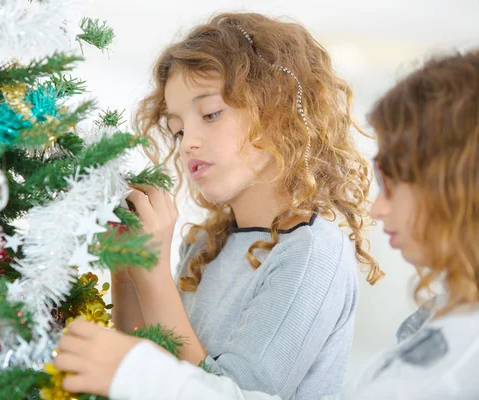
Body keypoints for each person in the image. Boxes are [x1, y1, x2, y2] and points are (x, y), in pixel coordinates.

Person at [53, 50, 479, 399]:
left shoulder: (309, 249)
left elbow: (232, 393)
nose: (190, 143)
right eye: (178, 131)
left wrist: (152, 275)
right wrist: (127, 269)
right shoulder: (206, 244)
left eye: (211, 114)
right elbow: (138, 368)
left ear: (275, 116)